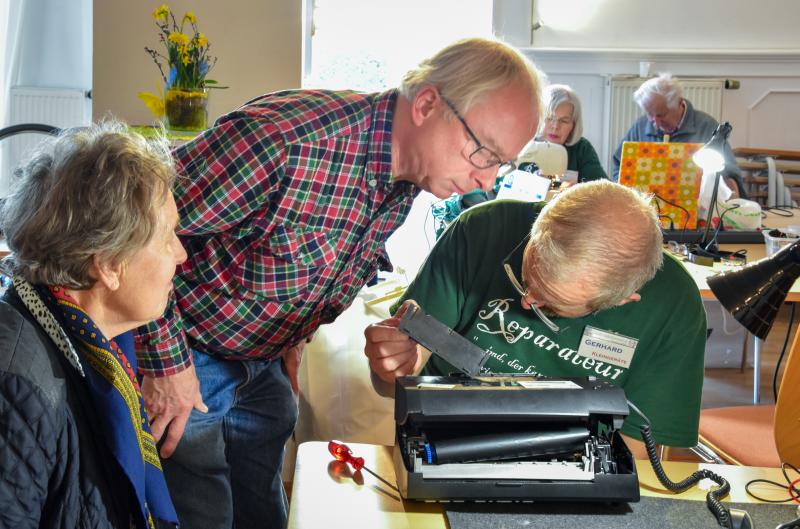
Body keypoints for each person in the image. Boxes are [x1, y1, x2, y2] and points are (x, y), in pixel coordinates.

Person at [134, 37, 544, 529]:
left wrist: (296, 336)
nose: (487, 180)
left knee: (264, 510)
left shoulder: (409, 174)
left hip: (263, 362)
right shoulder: (282, 140)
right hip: (189, 355)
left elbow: (321, 258)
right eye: (483, 153)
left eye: (502, 164)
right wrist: (167, 365)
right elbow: (134, 236)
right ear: (428, 104)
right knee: (202, 514)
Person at [365, 180, 707, 452]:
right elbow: (395, 384)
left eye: (552, 307)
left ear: (624, 300)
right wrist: (391, 367)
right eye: (524, 278)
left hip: (574, 472)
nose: (527, 302)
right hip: (442, 443)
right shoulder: (482, 229)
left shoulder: (673, 307)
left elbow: (636, 454)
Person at [0, 123, 187, 529]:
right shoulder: (15, 386)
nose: (181, 254)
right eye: (167, 237)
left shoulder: (91, 341)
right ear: (106, 263)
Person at [611, 73, 745, 197]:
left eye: (661, 115)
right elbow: (619, 164)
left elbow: (730, 173)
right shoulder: (640, 126)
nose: (655, 123)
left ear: (680, 103)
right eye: (649, 114)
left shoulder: (706, 126)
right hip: (648, 203)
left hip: (694, 202)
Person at [532, 83, 607, 183]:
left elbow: (602, 187)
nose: (555, 126)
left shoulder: (581, 148)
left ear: (574, 125)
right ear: (538, 117)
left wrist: (577, 190)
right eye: (549, 118)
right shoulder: (523, 143)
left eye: (564, 121)